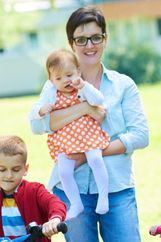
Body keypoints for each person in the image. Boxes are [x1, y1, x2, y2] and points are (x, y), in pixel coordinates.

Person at [29, 6, 154, 242]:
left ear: (104, 39)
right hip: (72, 195)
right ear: (71, 42)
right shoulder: (55, 81)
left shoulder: (122, 85)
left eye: (94, 37)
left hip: (116, 189)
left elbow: (139, 135)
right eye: (81, 39)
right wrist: (83, 110)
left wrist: (91, 152)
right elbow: (38, 124)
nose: (88, 45)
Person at [39, 48, 110, 219]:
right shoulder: (51, 94)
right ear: (51, 80)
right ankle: (76, 203)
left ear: (78, 72)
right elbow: (35, 111)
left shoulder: (82, 89)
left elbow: (98, 100)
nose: (66, 81)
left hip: (87, 133)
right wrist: (41, 110)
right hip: (66, 139)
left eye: (69, 75)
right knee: (63, 172)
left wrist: (84, 86)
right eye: (59, 78)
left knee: (95, 159)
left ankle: (103, 196)